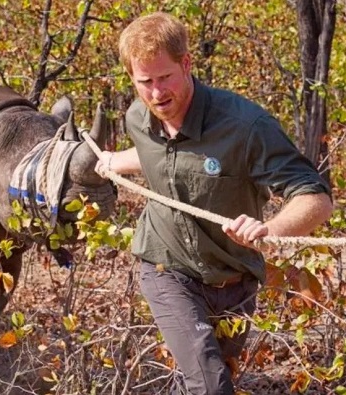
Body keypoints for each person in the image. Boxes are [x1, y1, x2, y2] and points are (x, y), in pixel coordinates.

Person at [95, 12, 333, 395]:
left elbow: (316, 198)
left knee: (206, 378)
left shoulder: (246, 126)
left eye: (165, 77)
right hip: (166, 267)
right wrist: (110, 162)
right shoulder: (137, 118)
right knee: (209, 384)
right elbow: (157, 153)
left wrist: (270, 230)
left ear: (187, 64)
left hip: (235, 278)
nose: (157, 94)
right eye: (145, 82)